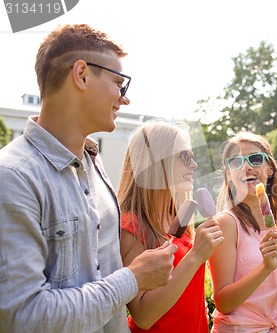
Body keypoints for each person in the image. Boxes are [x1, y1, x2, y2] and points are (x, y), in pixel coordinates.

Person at [0, 24, 177, 332]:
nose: (124, 99)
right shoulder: (13, 177)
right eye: (119, 84)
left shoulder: (93, 161)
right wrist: (133, 278)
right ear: (81, 74)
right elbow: (24, 317)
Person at [118, 121, 224, 332]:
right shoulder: (130, 226)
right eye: (184, 156)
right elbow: (143, 316)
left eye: (192, 157)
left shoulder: (178, 215)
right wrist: (195, 256)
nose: (193, 165)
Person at [208, 132, 277, 332]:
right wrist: (264, 267)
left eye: (255, 159)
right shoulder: (226, 223)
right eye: (235, 162)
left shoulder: (272, 223)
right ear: (229, 174)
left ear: (270, 168)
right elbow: (223, 303)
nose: (246, 166)